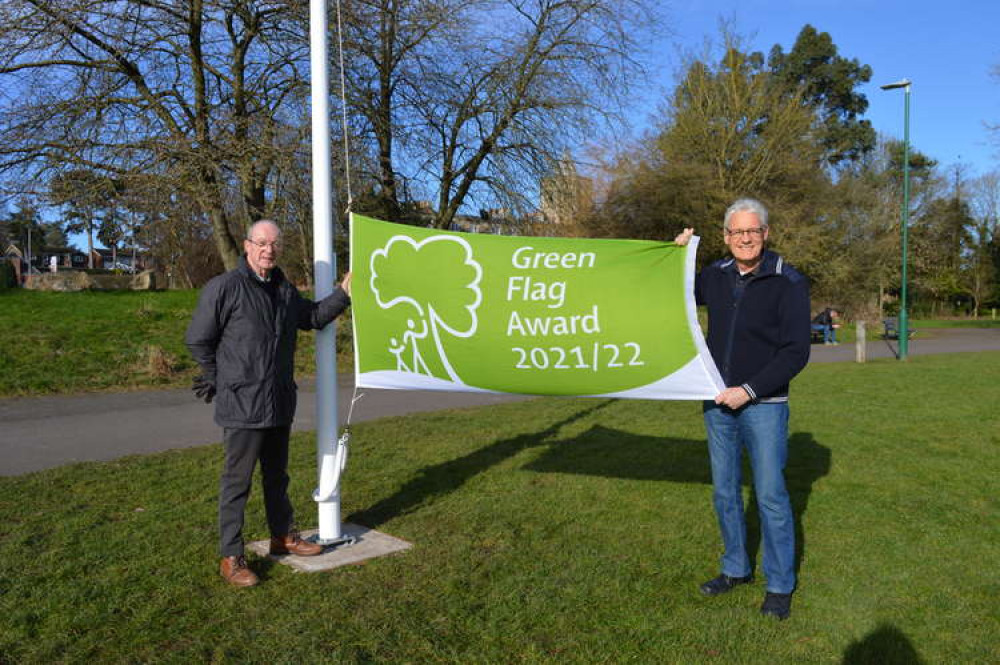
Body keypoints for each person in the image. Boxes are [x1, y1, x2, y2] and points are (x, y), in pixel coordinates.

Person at [186, 220, 353, 588]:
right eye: (261, 243)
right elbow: (198, 340)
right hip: (242, 405)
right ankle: (232, 556)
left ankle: (282, 536)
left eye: (274, 244)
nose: (268, 250)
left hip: (278, 402)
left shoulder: (283, 290)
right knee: (237, 483)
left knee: (277, 477)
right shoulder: (225, 288)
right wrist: (218, 379)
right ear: (247, 246)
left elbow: (311, 318)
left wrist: (343, 293)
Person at [675, 198, 810, 620]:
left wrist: (748, 390)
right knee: (725, 492)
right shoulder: (714, 275)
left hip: (764, 404)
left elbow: (796, 352)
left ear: (765, 234)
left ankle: (780, 585)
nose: (745, 239)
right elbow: (670, 292)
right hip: (716, 402)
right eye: (737, 232)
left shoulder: (788, 281)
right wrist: (676, 254)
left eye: (753, 231)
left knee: (769, 495)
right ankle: (735, 568)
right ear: (726, 236)